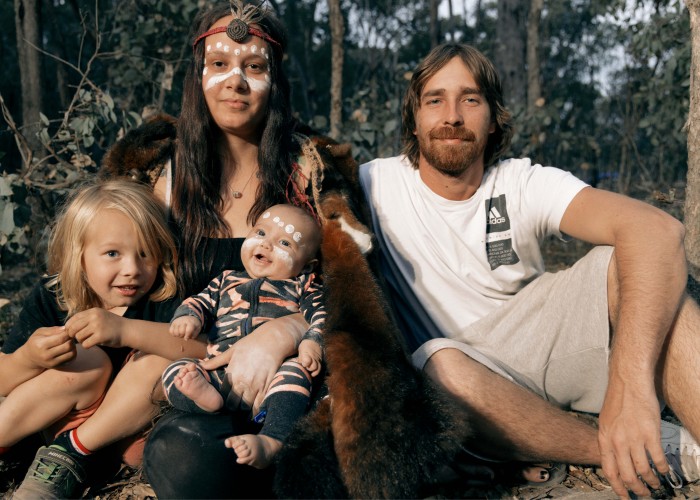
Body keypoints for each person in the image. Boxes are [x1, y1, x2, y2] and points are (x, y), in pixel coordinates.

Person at [359, 42, 700, 499]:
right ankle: (640, 449)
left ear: (493, 118)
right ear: (414, 119)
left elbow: (658, 230)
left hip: (541, 340)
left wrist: (631, 385)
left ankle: (640, 417)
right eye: (435, 100)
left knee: (635, 263)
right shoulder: (373, 183)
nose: (452, 116)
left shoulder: (521, 182)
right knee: (438, 366)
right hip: (466, 371)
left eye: (470, 99)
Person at [97, 1, 365, 497]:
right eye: (219, 63)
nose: (235, 81)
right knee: (188, 460)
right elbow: (106, 268)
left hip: (294, 383)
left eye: (254, 66)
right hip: (198, 381)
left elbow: (357, 294)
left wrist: (288, 330)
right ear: (196, 74)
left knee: (317, 460)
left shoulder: (313, 172)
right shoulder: (156, 171)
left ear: (275, 80)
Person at [1, 179, 204, 499]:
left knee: (162, 361)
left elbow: (205, 348)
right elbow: (4, 378)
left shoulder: (165, 298)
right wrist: (27, 359)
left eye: (145, 253)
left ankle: (67, 454)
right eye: (112, 253)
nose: (132, 269)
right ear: (78, 255)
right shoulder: (54, 297)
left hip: (113, 439)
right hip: (46, 423)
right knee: (86, 360)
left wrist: (125, 330)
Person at [162, 203, 325, 469]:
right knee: (176, 373)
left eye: (284, 242)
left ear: (307, 265)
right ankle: (207, 401)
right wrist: (189, 316)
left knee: (296, 373)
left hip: (273, 376)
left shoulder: (303, 287)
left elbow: (323, 314)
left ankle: (273, 439)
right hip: (220, 369)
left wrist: (312, 341)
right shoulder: (225, 280)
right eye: (260, 233)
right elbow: (199, 301)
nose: (266, 244)